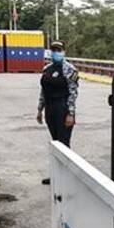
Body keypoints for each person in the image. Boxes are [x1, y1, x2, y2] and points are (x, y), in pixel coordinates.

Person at [37, 40, 78, 184]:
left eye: (59, 50)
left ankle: (67, 176)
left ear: (64, 51)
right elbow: (43, 91)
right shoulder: (47, 69)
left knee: (64, 143)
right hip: (50, 108)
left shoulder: (70, 69)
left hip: (63, 108)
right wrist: (40, 109)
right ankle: (56, 175)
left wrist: (70, 113)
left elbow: (73, 93)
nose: (56, 53)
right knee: (55, 143)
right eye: (54, 50)